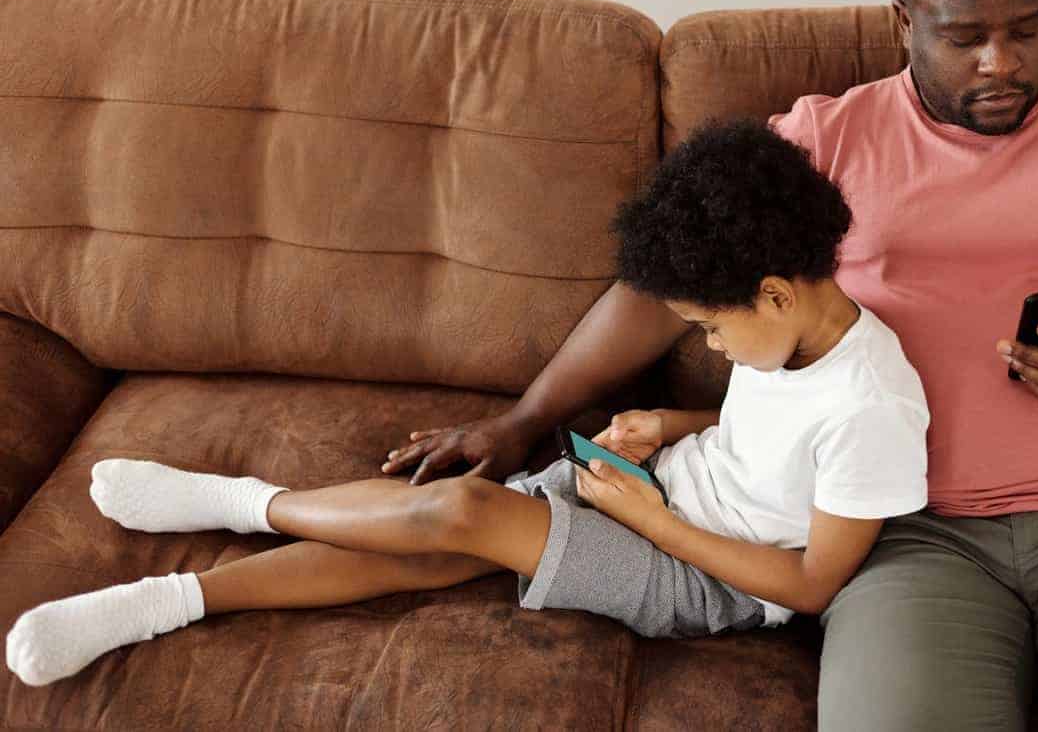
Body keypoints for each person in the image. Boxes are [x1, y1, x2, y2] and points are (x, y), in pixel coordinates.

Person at [379, 0, 1038, 730]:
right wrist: (526, 420)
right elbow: (662, 291)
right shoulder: (827, 137)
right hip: (901, 536)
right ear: (903, 20)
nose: (1001, 62)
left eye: (1029, 30)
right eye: (964, 38)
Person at [5, 122, 929, 689]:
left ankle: (239, 510)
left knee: (459, 510)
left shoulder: (875, 404)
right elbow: (773, 438)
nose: (709, 349)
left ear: (774, 293)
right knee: (439, 544)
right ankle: (178, 590)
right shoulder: (786, 330)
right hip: (658, 492)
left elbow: (814, 582)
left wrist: (654, 519)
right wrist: (679, 426)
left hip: (709, 580)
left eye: (708, 330)